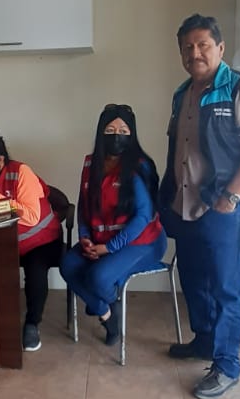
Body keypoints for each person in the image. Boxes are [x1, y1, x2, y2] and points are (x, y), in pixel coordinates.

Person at [159, 14, 240, 399]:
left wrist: (231, 197)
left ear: (220, 48)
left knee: (226, 286)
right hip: (187, 207)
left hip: (225, 209)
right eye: (187, 47)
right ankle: (204, 341)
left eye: (203, 45)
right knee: (193, 279)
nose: (195, 53)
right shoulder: (182, 94)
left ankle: (227, 365)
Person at [61, 104, 166, 345]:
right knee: (68, 265)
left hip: (142, 242)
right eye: (110, 130)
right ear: (100, 133)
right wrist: (85, 237)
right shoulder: (91, 164)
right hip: (100, 240)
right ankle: (107, 311)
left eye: (123, 131)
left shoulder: (139, 166)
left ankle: (104, 297)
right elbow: (83, 204)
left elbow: (142, 217)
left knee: (98, 278)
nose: (116, 136)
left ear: (132, 134)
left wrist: (109, 248)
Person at [0, 132, 63, 352]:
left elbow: (31, 216)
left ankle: (32, 324)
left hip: (40, 240)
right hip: (3, 242)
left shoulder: (21, 172)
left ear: (0, 159)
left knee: (36, 270)